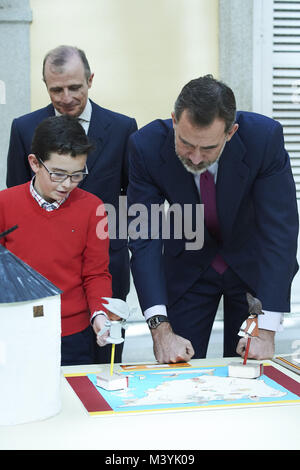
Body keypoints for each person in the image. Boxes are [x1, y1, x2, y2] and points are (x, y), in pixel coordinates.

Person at [127, 75, 299, 363]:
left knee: (249, 373)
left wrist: (267, 328)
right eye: (185, 143)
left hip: (250, 268)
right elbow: (144, 236)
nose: (194, 158)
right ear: (173, 121)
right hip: (187, 268)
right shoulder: (144, 146)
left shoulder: (263, 139)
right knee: (178, 367)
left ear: (230, 133)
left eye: (207, 149)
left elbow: (279, 230)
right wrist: (159, 328)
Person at [6, 45, 137, 363]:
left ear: (90, 80)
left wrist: (106, 235)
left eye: (74, 87)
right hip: (37, 276)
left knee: (103, 358)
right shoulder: (24, 128)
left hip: (103, 264)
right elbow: (18, 193)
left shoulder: (122, 128)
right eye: (56, 89)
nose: (66, 97)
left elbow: (132, 195)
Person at [0, 115, 120, 365]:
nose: (67, 184)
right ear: (34, 162)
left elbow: (96, 273)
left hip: (72, 335)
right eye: (58, 174)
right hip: (15, 331)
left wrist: (100, 314)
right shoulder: (5, 204)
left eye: (77, 175)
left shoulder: (93, 208)